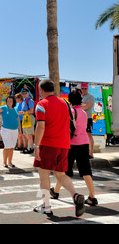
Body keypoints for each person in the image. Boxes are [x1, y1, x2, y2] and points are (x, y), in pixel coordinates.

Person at [33, 79, 85, 217]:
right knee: (60, 174)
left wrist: (36, 146)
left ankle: (46, 205)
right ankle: (75, 195)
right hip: (64, 144)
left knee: (43, 175)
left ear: (41, 90)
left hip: (48, 144)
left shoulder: (41, 104)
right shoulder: (65, 103)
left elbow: (40, 126)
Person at [50, 90, 98, 206]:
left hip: (71, 144)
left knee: (63, 171)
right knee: (86, 171)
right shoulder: (83, 112)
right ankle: (92, 197)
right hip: (84, 142)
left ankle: (55, 191)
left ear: (69, 100)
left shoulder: (70, 112)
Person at [0, 95, 21, 168]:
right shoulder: (4, 108)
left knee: (12, 146)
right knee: (7, 146)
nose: (9, 102)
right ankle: (4, 162)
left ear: (13, 101)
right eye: (8, 101)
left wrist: (19, 129)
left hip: (15, 129)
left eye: (10, 101)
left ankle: (10, 162)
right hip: (6, 129)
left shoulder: (15, 109)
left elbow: (17, 118)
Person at [18, 88, 35, 154]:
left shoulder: (30, 100)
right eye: (23, 93)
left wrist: (22, 112)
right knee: (26, 134)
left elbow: (31, 110)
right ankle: (29, 148)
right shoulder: (24, 101)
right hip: (25, 118)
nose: (24, 94)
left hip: (29, 118)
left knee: (29, 134)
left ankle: (30, 148)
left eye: (26, 93)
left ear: (28, 93)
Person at [80, 83, 95, 158]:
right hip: (79, 118)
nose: (84, 90)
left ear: (87, 89)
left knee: (89, 135)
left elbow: (87, 107)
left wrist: (79, 106)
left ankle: (90, 153)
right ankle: (82, 152)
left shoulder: (90, 97)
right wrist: (83, 105)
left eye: (85, 88)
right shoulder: (80, 97)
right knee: (80, 135)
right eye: (83, 88)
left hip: (88, 118)